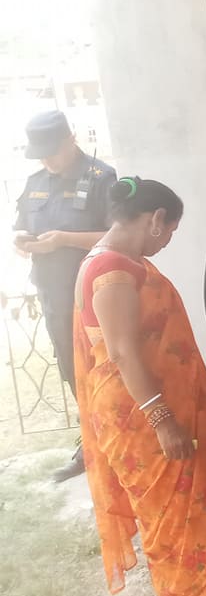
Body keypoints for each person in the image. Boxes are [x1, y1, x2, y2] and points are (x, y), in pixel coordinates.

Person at [73, 177, 206, 595]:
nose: (168, 240)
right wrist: (162, 419)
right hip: (147, 420)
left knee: (205, 515)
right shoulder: (111, 272)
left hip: (162, 412)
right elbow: (121, 353)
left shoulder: (119, 259)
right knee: (184, 528)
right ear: (156, 219)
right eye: (171, 229)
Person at [11, 109, 117, 482]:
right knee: (72, 372)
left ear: (71, 139)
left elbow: (115, 236)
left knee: (107, 370)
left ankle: (120, 440)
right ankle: (92, 443)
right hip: (55, 297)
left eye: (51, 152)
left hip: (95, 297)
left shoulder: (102, 178)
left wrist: (63, 239)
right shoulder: (36, 181)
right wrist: (22, 241)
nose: (46, 161)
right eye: (40, 154)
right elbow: (21, 229)